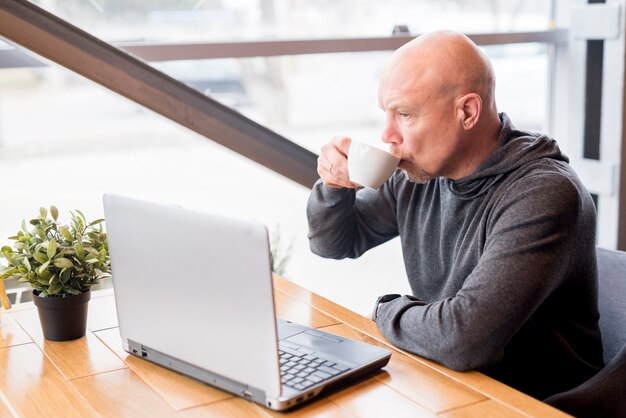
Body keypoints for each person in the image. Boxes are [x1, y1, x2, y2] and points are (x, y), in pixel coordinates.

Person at [306, 30, 603, 400]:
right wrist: (335, 187)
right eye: (386, 114)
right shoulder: (422, 173)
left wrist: (385, 309)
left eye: (404, 114)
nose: (388, 135)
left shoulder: (543, 193)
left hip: (531, 403)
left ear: (467, 112)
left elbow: (464, 338)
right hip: (449, 383)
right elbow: (333, 242)